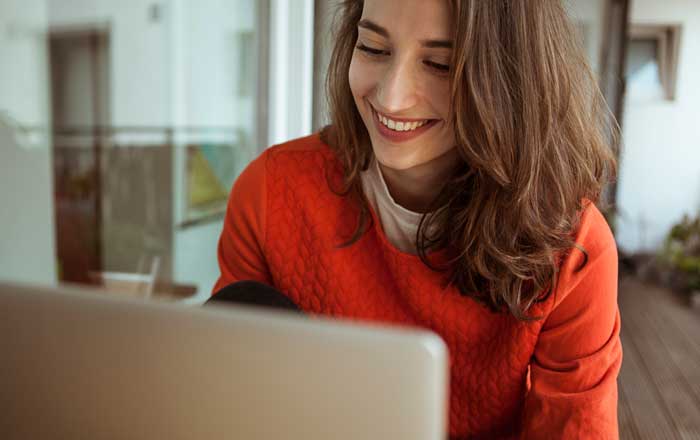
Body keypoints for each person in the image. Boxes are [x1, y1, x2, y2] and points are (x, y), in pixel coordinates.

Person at [212, 0, 622, 438]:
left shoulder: (572, 247)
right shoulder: (270, 193)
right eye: (373, 48)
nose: (391, 96)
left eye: (440, 64)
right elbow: (222, 401)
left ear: (511, 80)